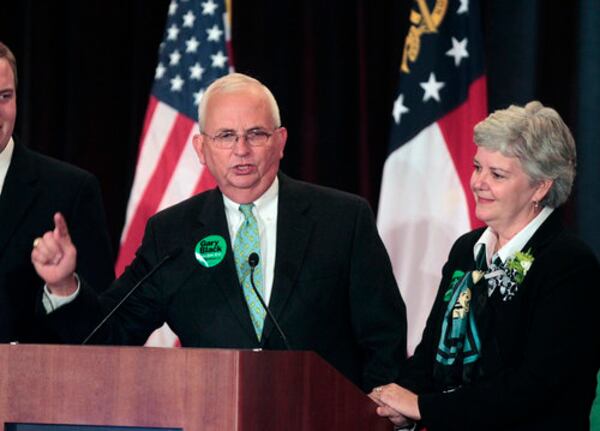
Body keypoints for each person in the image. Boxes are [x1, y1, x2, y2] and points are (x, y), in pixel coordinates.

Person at [31, 72, 407, 392]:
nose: (241, 150)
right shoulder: (172, 234)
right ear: (201, 148)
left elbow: (383, 336)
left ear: (280, 141)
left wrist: (371, 418)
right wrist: (64, 285)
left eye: (256, 134)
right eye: (225, 136)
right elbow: (108, 335)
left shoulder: (342, 219)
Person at [370, 101, 600, 430]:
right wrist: (394, 398)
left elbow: (533, 388)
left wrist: (424, 406)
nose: (478, 182)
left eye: (497, 174)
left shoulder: (568, 264)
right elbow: (430, 355)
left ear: (541, 186)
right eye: (478, 167)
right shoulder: (467, 250)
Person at [0, 41, 114, 343]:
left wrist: (64, 287)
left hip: (30, 385)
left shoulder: (70, 190)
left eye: (4, 96)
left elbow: (104, 333)